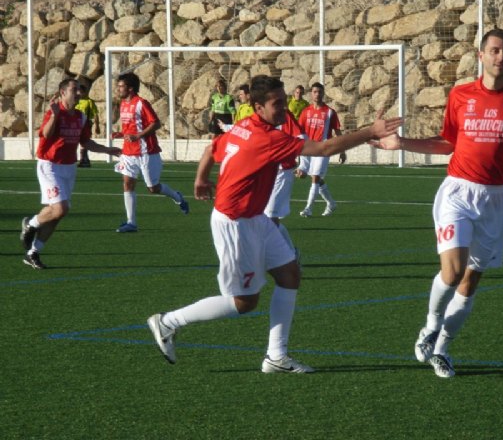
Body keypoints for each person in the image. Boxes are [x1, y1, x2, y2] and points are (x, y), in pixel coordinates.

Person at [146, 75, 402, 373]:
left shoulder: (244, 127)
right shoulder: (265, 138)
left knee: (290, 274)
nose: (284, 108)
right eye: (277, 103)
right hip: (235, 224)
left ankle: (276, 357)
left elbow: (210, 149)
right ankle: (168, 322)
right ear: (257, 106)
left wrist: (201, 178)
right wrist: (370, 130)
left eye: (283, 101)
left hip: (257, 218)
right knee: (244, 302)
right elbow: (322, 149)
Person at [372, 29, 503, 378]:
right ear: (481, 54)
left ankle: (442, 348)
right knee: (452, 272)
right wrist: (402, 144)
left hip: (495, 199)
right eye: (495, 50)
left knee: (470, 281)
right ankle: (430, 326)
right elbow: (446, 143)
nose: (502, 57)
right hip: (458, 191)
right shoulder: (460, 95)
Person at [19, 78, 121, 269]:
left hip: (68, 167)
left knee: (56, 213)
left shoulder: (81, 117)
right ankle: (31, 225)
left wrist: (108, 150)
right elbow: (46, 135)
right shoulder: (54, 111)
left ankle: (33, 252)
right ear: (63, 93)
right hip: (49, 165)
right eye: (74, 90)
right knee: (61, 208)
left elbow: (86, 142)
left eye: (79, 90)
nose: (78, 93)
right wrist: (54, 116)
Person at [113, 72, 189, 233]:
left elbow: (156, 123)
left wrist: (138, 136)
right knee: (127, 184)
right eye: (118, 86)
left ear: (131, 88)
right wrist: (121, 134)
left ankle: (177, 197)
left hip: (147, 152)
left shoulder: (141, 103)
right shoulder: (123, 104)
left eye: (121, 86)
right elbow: (131, 127)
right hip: (128, 153)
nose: (118, 89)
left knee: (153, 188)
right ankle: (131, 222)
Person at [296, 82, 346, 217]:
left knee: (315, 177)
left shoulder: (330, 112)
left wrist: (342, 150)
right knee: (311, 177)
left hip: (323, 148)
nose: (317, 94)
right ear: (311, 94)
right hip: (308, 148)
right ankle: (331, 203)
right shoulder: (305, 112)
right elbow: (299, 131)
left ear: (323, 93)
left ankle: (308, 208)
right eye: (314, 92)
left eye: (319, 92)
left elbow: (337, 131)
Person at [264, 109, 304, 253]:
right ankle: (291, 253)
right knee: (264, 217)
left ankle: (285, 256)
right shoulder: (257, 114)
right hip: (266, 171)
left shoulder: (284, 114)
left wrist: (303, 164)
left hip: (282, 170)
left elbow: (300, 136)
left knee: (270, 216)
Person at [76, 83, 100, 168]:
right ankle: (81, 159)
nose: (79, 94)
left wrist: (97, 125)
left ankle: (84, 160)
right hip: (76, 124)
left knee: (84, 142)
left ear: (84, 92)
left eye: (81, 92)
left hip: (86, 124)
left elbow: (95, 114)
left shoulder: (89, 101)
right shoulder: (75, 101)